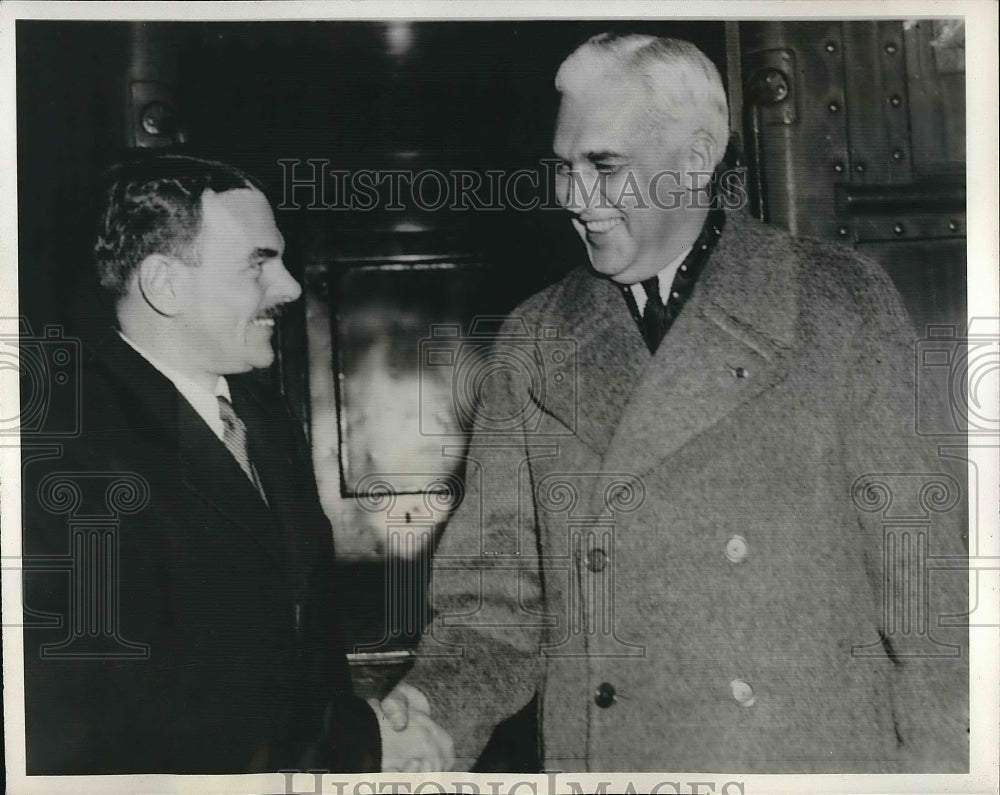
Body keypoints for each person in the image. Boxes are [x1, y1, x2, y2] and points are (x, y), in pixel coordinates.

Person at [382, 34, 969, 773]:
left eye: (603, 166)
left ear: (695, 161)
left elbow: (926, 592)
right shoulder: (533, 340)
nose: (573, 197)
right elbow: (493, 605)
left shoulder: (835, 304)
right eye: (563, 167)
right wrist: (429, 715)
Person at [20, 154, 453, 774]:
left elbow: (303, 638)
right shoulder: (63, 454)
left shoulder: (260, 409)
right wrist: (358, 745)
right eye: (259, 264)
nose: (291, 287)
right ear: (165, 284)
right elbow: (120, 721)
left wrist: (351, 736)